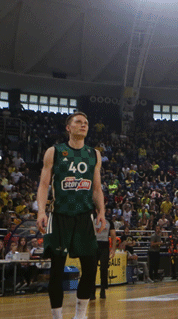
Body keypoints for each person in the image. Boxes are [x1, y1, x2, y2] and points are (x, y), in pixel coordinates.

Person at [36, 112, 106, 319]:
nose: (83, 125)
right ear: (68, 127)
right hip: (59, 215)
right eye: (78, 122)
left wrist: (101, 211)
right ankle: (57, 317)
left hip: (85, 215)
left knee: (91, 268)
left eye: (86, 122)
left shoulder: (94, 154)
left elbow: (96, 188)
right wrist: (41, 211)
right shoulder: (54, 151)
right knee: (57, 270)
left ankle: (80, 315)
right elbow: (43, 184)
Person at [90, 217, 115, 300]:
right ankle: (92, 292)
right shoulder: (92, 220)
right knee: (93, 269)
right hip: (94, 245)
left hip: (104, 246)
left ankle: (103, 290)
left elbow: (113, 236)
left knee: (104, 269)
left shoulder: (109, 221)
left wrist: (113, 249)